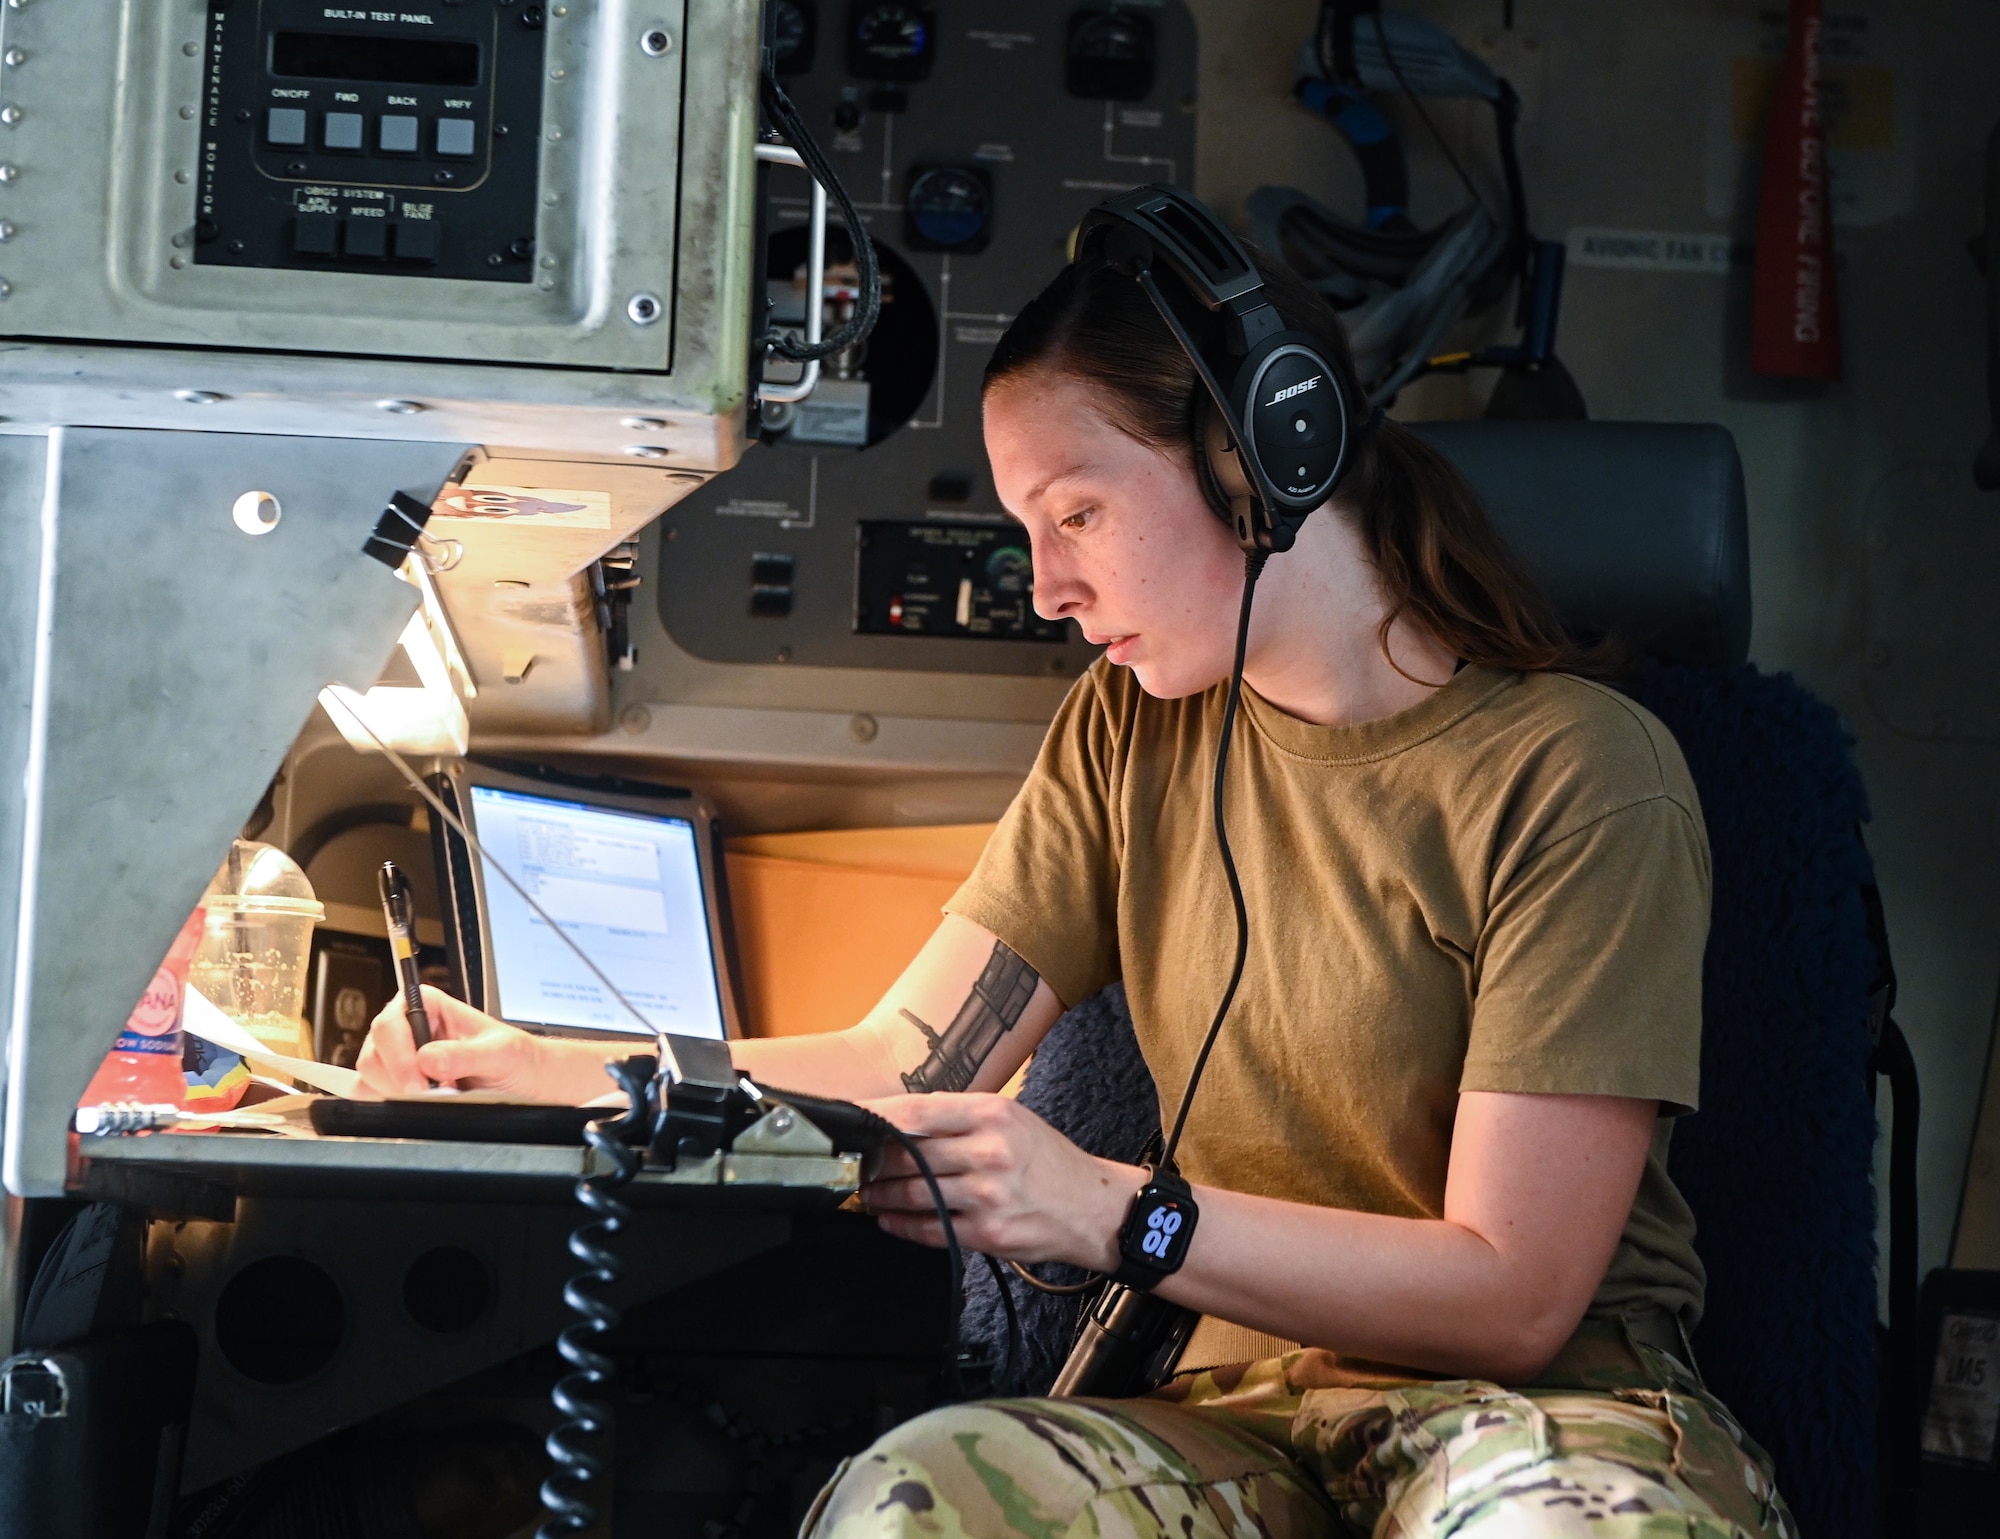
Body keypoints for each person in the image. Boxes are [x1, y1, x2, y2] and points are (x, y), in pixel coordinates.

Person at [358, 223, 1796, 1539]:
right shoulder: (1129, 732)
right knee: (916, 1501)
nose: (1045, 586)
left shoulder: (1582, 771)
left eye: (1078, 514)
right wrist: (548, 1075)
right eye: (1027, 529)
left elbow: (1512, 1295)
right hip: (1237, 1426)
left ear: (1256, 455)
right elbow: (899, 1059)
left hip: (1540, 1423)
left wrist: (1118, 1211)